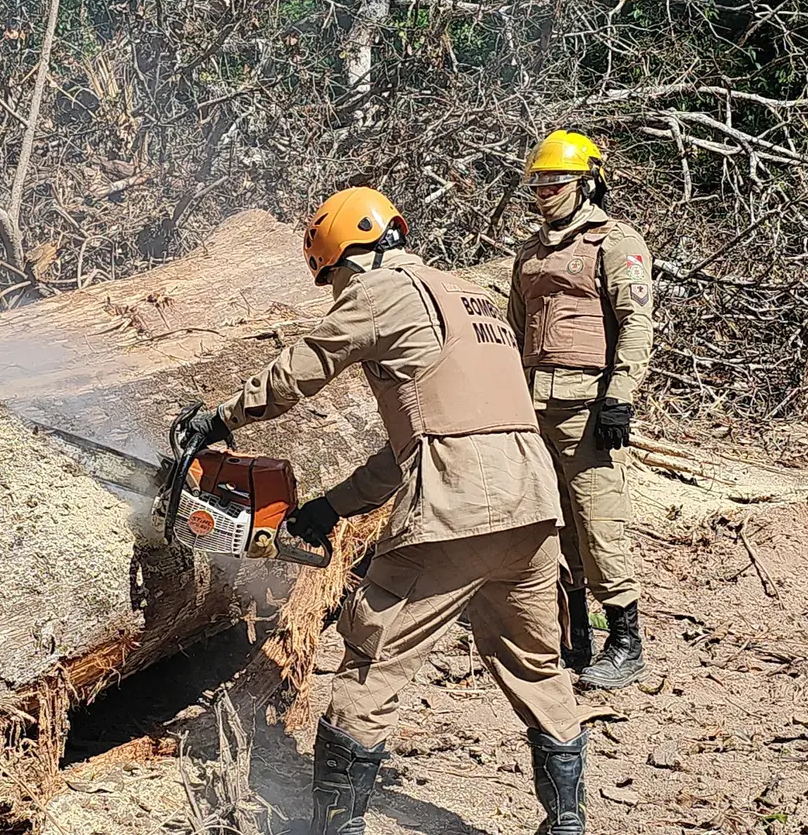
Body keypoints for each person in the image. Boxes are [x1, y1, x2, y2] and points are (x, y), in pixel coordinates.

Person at [180, 187, 589, 835]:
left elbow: (303, 367)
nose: (337, 292)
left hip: (460, 505)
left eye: (333, 277)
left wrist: (222, 417)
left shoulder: (382, 290)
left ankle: (334, 827)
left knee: (370, 661)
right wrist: (332, 506)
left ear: (347, 254)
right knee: (536, 663)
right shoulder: (471, 295)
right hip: (535, 508)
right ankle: (567, 821)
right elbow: (434, 433)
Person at [508, 130, 654, 691]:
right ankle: (574, 639)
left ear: (588, 181)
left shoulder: (616, 242)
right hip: (532, 407)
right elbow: (517, 330)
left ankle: (627, 644)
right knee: (553, 524)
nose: (545, 191)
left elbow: (637, 322)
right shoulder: (530, 251)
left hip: (587, 407)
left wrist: (619, 397)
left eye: (556, 180)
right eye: (539, 182)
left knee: (599, 526)